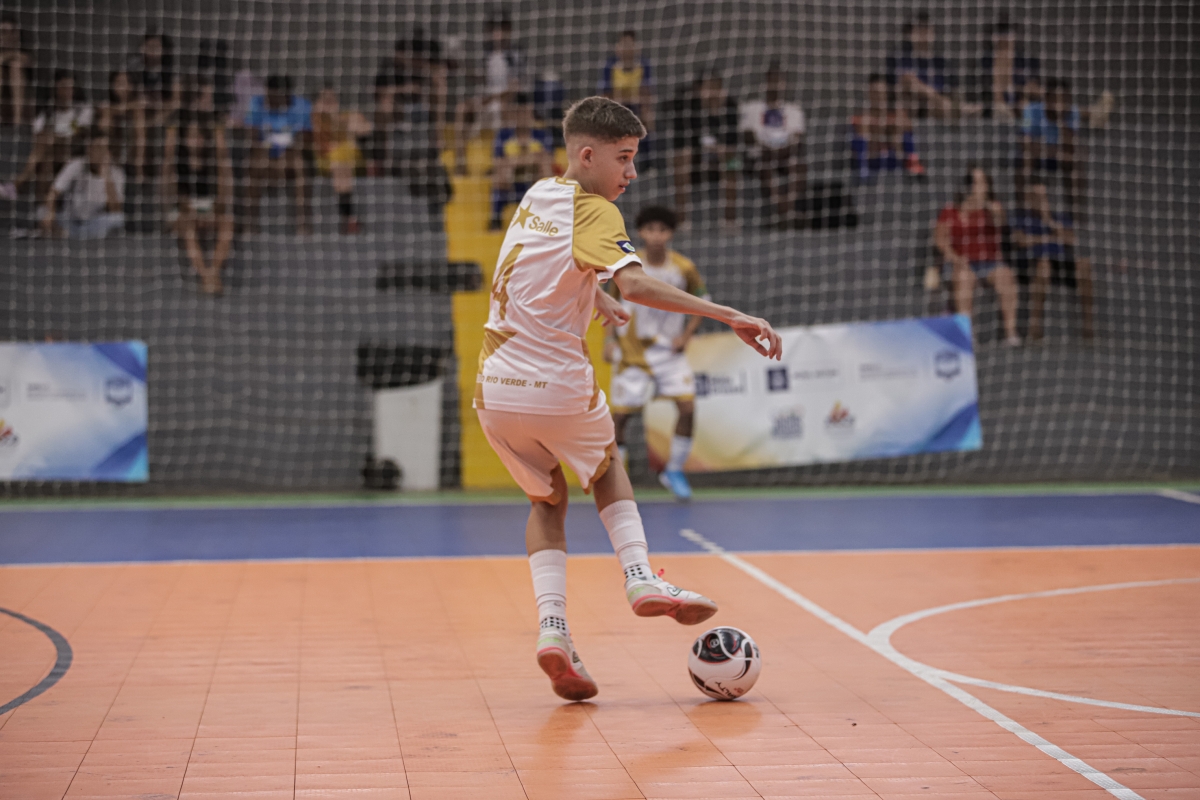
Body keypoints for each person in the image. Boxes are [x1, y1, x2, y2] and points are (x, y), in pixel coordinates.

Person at [474, 95, 782, 701]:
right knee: (607, 466)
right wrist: (729, 315)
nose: (632, 172)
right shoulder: (598, 210)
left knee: (547, 501)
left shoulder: (538, 195)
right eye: (624, 157)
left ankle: (554, 631)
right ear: (588, 155)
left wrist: (594, 295)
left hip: (495, 389)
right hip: (556, 382)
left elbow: (533, 269)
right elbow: (638, 284)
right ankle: (641, 577)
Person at [604, 206, 708, 500]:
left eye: (662, 230)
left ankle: (674, 470)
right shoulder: (627, 266)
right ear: (641, 232)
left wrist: (686, 336)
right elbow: (609, 303)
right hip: (631, 355)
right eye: (650, 229)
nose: (656, 236)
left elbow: (703, 301)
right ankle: (617, 478)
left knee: (687, 408)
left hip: (669, 353)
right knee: (620, 418)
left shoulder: (684, 268)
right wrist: (609, 341)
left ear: (670, 234)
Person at [934, 166, 1019, 346]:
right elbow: (940, 240)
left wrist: (988, 206)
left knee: (1006, 276)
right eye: (976, 182)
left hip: (990, 263)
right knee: (964, 278)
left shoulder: (993, 208)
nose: (980, 186)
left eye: (983, 182)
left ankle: (1011, 334)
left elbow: (1001, 223)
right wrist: (956, 258)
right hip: (962, 262)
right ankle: (968, 336)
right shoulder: (951, 210)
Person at [1009, 180, 1094, 342]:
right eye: (1034, 196)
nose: (1038, 199)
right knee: (1044, 266)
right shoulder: (1021, 217)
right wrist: (1050, 237)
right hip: (1032, 262)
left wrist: (1048, 219)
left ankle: (1088, 326)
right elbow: (1021, 241)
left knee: (1084, 264)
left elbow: (1071, 239)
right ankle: (1035, 326)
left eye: (1042, 196)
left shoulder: (1058, 217)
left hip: (1061, 261)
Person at [1, 70, 93, 203]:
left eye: (71, 87)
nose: (68, 91)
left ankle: (16, 185)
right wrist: (53, 138)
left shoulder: (83, 109)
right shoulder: (47, 112)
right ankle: (42, 206)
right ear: (55, 88)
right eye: (63, 87)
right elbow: (38, 137)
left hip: (74, 152)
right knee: (46, 157)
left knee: (47, 143)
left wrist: (55, 138)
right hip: (49, 153)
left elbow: (79, 135)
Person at [167, 114, 233, 294]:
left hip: (209, 209)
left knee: (228, 222)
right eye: (191, 136)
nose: (195, 140)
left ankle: (214, 271)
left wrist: (219, 136)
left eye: (199, 136)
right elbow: (178, 200)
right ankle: (206, 275)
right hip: (184, 212)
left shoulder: (213, 163)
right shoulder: (177, 163)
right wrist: (170, 136)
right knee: (188, 226)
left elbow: (222, 200)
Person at [453, 11, 524, 175]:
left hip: (505, 100)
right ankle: (460, 163)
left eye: (501, 30)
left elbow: (514, 87)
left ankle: (499, 163)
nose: (497, 34)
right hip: (488, 99)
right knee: (462, 108)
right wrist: (462, 66)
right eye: (493, 30)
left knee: (504, 108)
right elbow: (484, 79)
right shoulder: (488, 54)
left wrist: (490, 100)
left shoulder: (514, 55)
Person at [739, 62, 806, 228]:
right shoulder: (752, 108)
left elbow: (797, 138)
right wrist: (767, 149)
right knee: (766, 167)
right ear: (766, 82)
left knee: (798, 167)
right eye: (772, 80)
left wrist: (781, 150)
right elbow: (747, 135)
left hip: (786, 155)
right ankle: (786, 213)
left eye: (779, 80)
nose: (776, 84)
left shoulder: (794, 110)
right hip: (760, 156)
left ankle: (785, 213)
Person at [244, 74, 312, 234]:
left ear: (286, 95)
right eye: (269, 96)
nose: (271, 100)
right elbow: (252, 139)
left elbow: (306, 140)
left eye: (275, 97)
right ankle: (251, 224)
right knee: (254, 164)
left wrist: (288, 152)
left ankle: (303, 223)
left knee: (300, 164)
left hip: (290, 156)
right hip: (264, 155)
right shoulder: (256, 103)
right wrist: (267, 153)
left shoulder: (302, 106)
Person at [671, 71, 740, 228]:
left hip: (719, 153)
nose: (713, 92)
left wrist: (716, 113)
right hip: (695, 154)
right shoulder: (688, 106)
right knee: (682, 157)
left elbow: (732, 139)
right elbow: (682, 140)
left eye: (717, 87)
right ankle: (682, 220)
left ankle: (730, 219)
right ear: (699, 89)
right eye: (709, 87)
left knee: (732, 159)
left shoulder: (729, 105)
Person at [39, 132, 125, 240]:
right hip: (69, 221)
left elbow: (115, 209)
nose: (95, 151)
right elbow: (53, 192)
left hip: (93, 222)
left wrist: (106, 174)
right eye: (93, 147)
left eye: (101, 148)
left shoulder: (117, 173)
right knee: (41, 212)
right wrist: (50, 213)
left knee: (118, 219)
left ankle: (75, 237)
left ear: (109, 152)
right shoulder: (76, 165)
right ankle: (66, 235)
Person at [488, 92, 553, 230]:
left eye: (526, 112)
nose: (523, 117)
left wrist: (513, 161)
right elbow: (500, 168)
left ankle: (547, 220)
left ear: (531, 113)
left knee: (545, 172)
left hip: (533, 184)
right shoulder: (503, 136)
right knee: (501, 175)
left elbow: (547, 164)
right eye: (519, 113)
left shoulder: (542, 135)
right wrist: (532, 159)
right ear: (513, 114)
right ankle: (496, 222)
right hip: (510, 187)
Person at [313, 86, 370, 235]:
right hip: (327, 161)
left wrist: (343, 122)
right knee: (340, 161)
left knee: (342, 157)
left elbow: (366, 130)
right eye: (325, 99)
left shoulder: (350, 116)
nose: (329, 102)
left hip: (353, 160)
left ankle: (348, 217)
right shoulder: (314, 118)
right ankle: (349, 217)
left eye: (332, 99)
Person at [850, 73, 924, 182]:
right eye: (875, 92)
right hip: (872, 159)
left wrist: (890, 125)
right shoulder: (861, 118)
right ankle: (863, 170)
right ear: (869, 94)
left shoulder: (896, 116)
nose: (878, 96)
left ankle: (912, 164)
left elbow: (909, 126)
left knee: (901, 128)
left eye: (881, 92)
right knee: (863, 128)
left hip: (894, 157)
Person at [887, 11, 956, 120]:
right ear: (910, 33)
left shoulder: (943, 64)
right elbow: (903, 84)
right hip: (909, 108)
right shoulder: (900, 58)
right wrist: (931, 93)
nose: (924, 32)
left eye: (927, 28)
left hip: (937, 111)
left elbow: (952, 94)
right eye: (919, 28)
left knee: (943, 106)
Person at [598, 30, 654, 132]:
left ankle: (647, 136)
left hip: (636, 109)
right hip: (616, 107)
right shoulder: (610, 67)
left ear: (637, 48)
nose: (626, 49)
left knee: (647, 114)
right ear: (617, 48)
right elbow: (605, 96)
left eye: (630, 44)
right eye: (623, 44)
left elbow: (646, 95)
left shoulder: (643, 66)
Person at [98, 69, 147, 181]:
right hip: (114, 151)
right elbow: (103, 109)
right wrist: (121, 109)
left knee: (139, 117)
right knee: (106, 119)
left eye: (126, 82)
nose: (122, 87)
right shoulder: (107, 106)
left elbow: (143, 103)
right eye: (119, 82)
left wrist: (122, 109)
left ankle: (138, 168)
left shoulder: (138, 107)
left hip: (132, 151)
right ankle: (106, 162)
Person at [0, 13, 32, 126]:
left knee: (15, 66)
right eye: (4, 32)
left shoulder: (25, 50)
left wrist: (8, 56)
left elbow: (28, 60)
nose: (9, 36)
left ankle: (17, 122)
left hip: (23, 99)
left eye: (12, 31)